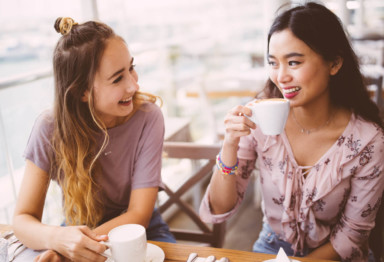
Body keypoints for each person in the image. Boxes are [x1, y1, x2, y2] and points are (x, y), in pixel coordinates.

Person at [199, 2, 384, 262]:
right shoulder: (258, 119)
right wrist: (229, 144)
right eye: (273, 63)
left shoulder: (368, 141)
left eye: (294, 62)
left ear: (334, 63)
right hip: (272, 247)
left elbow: (352, 236)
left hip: (335, 254)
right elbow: (220, 208)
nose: (281, 76)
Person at [13, 17, 175, 261]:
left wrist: (70, 250)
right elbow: (22, 219)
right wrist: (59, 241)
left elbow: (139, 214)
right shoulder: (49, 128)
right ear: (82, 92)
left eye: (131, 68)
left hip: (144, 234)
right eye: (118, 78)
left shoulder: (148, 117)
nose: (134, 84)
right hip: (76, 235)